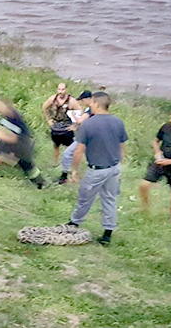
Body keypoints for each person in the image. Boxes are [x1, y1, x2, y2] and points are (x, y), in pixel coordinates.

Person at [67, 92, 128, 246]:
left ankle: (74, 223)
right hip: (114, 168)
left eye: (92, 103)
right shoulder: (118, 122)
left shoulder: (88, 124)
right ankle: (108, 233)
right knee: (110, 199)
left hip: (97, 169)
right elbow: (122, 146)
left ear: (97, 104)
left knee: (85, 197)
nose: (90, 106)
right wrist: (119, 163)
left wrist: (74, 170)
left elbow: (79, 151)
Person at [0, 98, 46, 188]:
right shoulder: (4, 118)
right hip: (15, 147)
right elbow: (5, 132)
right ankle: (38, 182)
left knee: (28, 167)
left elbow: (13, 138)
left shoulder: (14, 116)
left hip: (23, 147)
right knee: (26, 167)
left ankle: (41, 184)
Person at [57, 90, 93, 184]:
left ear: (88, 99)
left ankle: (65, 176)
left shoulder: (90, 110)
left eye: (82, 100)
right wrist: (76, 127)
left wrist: (73, 116)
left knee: (68, 153)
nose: (82, 102)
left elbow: (80, 121)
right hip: (89, 137)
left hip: (87, 138)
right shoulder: (92, 109)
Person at [42, 83, 82, 165]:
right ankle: (55, 163)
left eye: (63, 89)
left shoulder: (71, 101)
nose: (60, 91)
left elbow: (80, 111)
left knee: (70, 147)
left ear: (66, 90)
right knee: (56, 146)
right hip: (55, 127)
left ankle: (71, 164)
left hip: (67, 127)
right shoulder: (53, 99)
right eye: (59, 89)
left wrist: (76, 125)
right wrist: (48, 120)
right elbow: (44, 107)